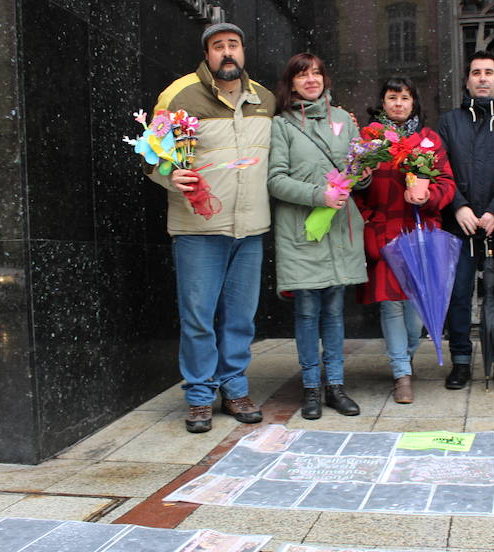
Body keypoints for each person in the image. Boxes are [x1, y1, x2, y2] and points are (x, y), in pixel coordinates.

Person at [146, 23, 275, 433]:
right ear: (207, 54)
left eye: (233, 45)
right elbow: (151, 155)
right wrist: (169, 176)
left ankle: (234, 388)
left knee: (240, 317)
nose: (227, 53)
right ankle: (200, 396)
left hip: (251, 227)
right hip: (199, 228)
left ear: (243, 51)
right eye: (218, 47)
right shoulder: (180, 95)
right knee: (198, 317)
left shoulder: (265, 99)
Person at [267, 53, 368, 420]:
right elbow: (275, 179)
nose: (311, 80)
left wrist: (361, 177)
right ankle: (311, 388)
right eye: (302, 75)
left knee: (335, 312)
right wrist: (318, 195)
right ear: (291, 83)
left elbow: (359, 169)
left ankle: (336, 386)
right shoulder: (282, 125)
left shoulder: (343, 119)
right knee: (308, 311)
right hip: (302, 231)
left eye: (317, 73)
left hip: (339, 228)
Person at [355, 77, 455, 403]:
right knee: (391, 307)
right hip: (384, 233)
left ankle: (406, 355)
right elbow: (353, 183)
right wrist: (368, 217)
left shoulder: (428, 140)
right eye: (392, 97)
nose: (398, 103)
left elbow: (447, 184)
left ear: (414, 103)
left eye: (405, 98)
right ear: (382, 101)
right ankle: (401, 373)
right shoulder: (369, 139)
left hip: (419, 235)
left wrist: (427, 196)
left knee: (415, 309)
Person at [437, 50, 494, 391]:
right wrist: (458, 206)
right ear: (467, 80)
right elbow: (440, 168)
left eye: (489, 72)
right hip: (458, 224)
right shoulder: (449, 121)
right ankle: (461, 361)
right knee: (458, 294)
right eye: (476, 72)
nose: (483, 78)